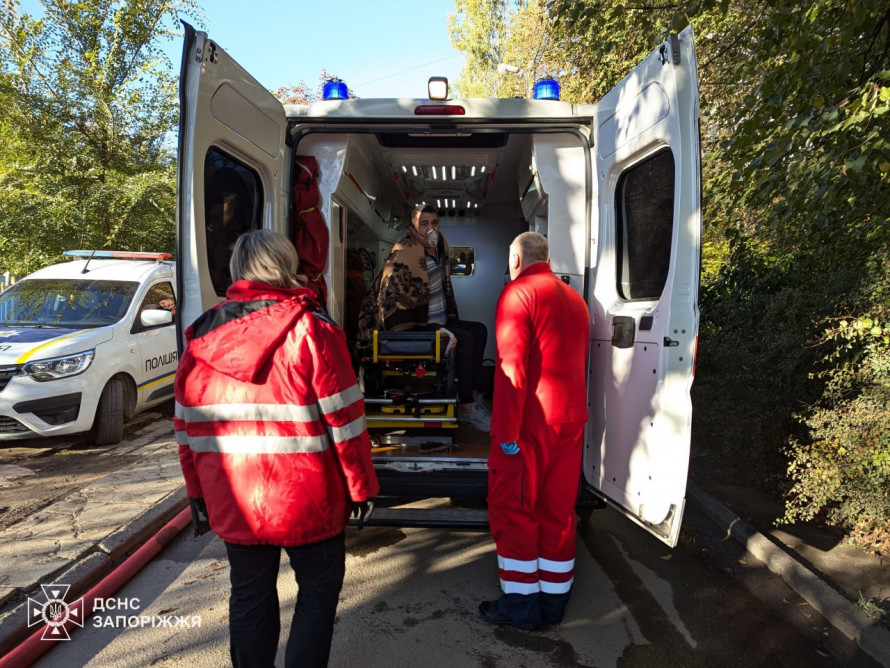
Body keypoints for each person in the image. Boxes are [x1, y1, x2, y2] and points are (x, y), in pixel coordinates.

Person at [174, 229, 379, 667]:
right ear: (287, 266)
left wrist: (197, 493)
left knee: (249, 597)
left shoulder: (200, 337)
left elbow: (186, 427)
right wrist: (360, 488)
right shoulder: (314, 329)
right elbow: (345, 421)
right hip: (309, 500)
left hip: (234, 499)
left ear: (236, 271)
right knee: (318, 596)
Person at [479, 231, 590, 631]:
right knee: (558, 511)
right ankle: (554, 603)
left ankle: (522, 606)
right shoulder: (575, 300)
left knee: (516, 511)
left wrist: (504, 433)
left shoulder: (518, 294)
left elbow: (511, 370)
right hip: (571, 420)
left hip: (530, 424)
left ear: (515, 258)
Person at [357, 204, 490, 430]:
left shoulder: (438, 249)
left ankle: (473, 394)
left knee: (479, 331)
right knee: (465, 340)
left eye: (434, 223)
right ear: (413, 227)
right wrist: (438, 330)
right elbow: (392, 299)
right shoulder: (406, 251)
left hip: (437, 320)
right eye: (424, 223)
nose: (431, 228)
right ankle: (467, 407)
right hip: (412, 325)